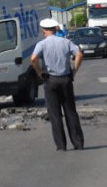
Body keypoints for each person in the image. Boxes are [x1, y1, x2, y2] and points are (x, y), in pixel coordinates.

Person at [31, 18, 84, 151]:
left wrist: (39, 72)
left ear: (44, 31)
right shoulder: (66, 42)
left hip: (51, 79)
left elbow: (33, 59)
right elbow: (79, 54)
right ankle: (78, 143)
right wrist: (74, 70)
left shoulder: (42, 44)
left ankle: (61, 145)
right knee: (70, 111)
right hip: (65, 78)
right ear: (55, 29)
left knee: (55, 114)